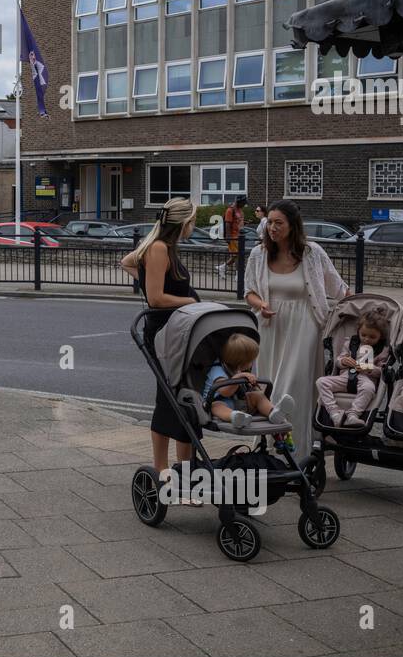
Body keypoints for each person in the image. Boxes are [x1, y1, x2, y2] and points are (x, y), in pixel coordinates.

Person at [244, 199, 351, 462]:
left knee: (292, 391)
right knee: (270, 389)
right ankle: (268, 453)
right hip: (271, 328)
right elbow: (249, 292)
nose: (272, 228)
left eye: (278, 223)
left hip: (305, 327)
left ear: (293, 226)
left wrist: (358, 310)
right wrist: (262, 304)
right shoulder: (259, 254)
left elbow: (339, 289)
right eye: (269, 222)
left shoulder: (312, 253)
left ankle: (297, 455)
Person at [120, 197, 200, 477]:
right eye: (193, 221)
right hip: (165, 332)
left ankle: (187, 471)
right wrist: (189, 302)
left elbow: (128, 261)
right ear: (184, 222)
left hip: (180, 331)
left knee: (186, 397)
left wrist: (145, 276)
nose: (194, 225)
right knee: (167, 397)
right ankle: (162, 469)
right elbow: (155, 298)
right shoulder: (158, 248)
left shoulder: (166, 248)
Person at [316, 306, 393, 427]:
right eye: (363, 335)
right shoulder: (351, 343)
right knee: (321, 382)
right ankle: (334, 412)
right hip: (345, 377)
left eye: (372, 337)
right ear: (358, 332)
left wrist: (369, 369)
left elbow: (381, 371)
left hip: (365, 380)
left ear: (380, 337)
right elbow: (338, 361)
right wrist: (344, 361)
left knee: (369, 388)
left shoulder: (382, 350)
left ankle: (353, 414)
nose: (367, 339)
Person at [203, 332, 295, 431]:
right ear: (241, 361)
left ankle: (274, 413)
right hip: (218, 402)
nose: (252, 363)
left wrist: (252, 386)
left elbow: (244, 390)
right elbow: (225, 392)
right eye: (251, 360)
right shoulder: (218, 370)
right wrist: (239, 377)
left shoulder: (238, 370)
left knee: (258, 395)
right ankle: (234, 417)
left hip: (238, 402)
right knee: (216, 406)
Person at [217, 195, 247, 279]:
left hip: (239, 236)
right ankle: (238, 275)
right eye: (243, 203)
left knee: (235, 256)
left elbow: (238, 222)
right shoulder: (230, 210)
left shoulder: (240, 210)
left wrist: (244, 223)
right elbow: (227, 223)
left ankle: (222, 268)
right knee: (238, 255)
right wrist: (228, 237)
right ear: (239, 202)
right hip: (233, 236)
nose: (244, 205)